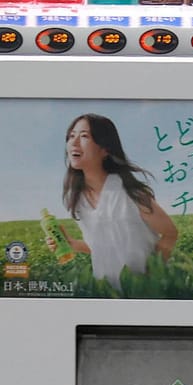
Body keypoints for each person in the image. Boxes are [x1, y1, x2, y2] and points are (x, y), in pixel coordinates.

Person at [48, 113, 176, 292]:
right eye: (71, 136)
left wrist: (152, 274)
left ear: (105, 149)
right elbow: (103, 247)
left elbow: (170, 233)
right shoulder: (78, 200)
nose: (74, 142)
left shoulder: (130, 192)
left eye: (84, 136)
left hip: (144, 292)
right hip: (107, 292)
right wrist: (72, 244)